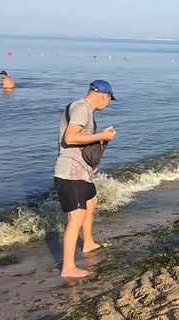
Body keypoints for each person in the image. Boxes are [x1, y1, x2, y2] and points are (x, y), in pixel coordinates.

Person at [54, 80, 116, 278]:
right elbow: (70, 138)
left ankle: (88, 243)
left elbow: (80, 142)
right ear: (102, 95)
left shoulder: (86, 111)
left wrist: (91, 163)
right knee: (76, 216)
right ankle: (68, 267)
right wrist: (102, 135)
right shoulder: (81, 108)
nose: (108, 104)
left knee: (91, 201)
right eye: (109, 99)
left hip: (82, 170)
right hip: (70, 172)